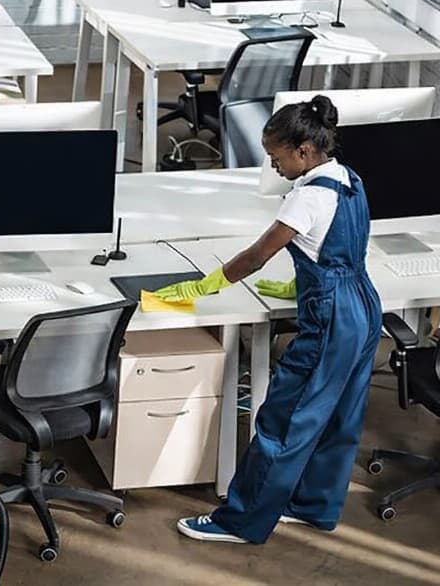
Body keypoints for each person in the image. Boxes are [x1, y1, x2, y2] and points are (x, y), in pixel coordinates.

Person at [153, 95, 382, 544]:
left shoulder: (308, 198)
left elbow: (259, 254)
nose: (272, 166)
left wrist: (207, 285)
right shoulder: (347, 178)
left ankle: (239, 522)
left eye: (276, 157)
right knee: (340, 416)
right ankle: (313, 506)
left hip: (333, 318)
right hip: (363, 306)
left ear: (302, 151)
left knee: (285, 420)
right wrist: (302, 286)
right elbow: (339, 250)